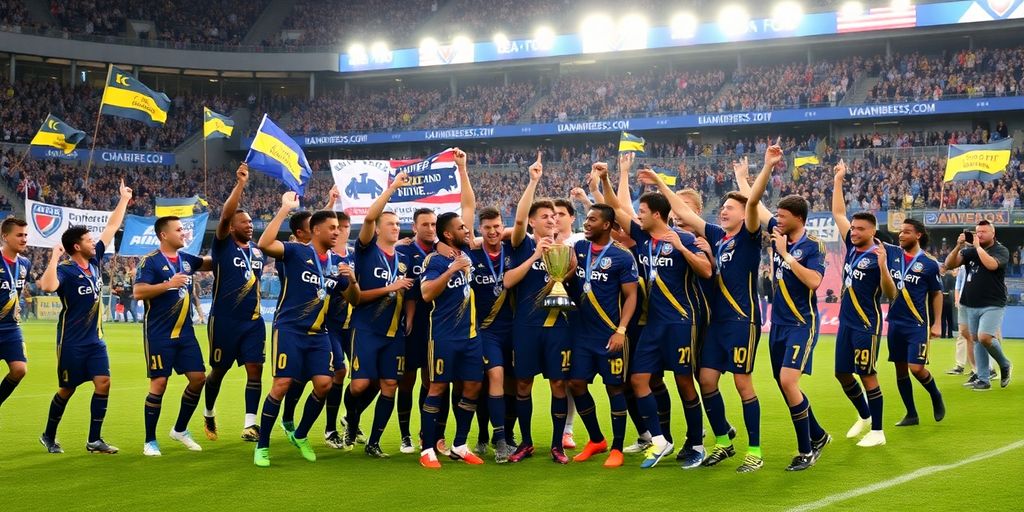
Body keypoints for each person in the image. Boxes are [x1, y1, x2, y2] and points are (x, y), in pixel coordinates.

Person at [646, 155, 767, 472]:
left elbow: (753, 203)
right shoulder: (717, 236)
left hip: (743, 321)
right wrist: (660, 183)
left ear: (744, 215)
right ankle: (724, 443)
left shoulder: (748, 237)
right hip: (716, 324)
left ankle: (754, 450)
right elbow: (683, 211)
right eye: (723, 207)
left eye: (730, 208)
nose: (724, 210)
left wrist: (756, 172)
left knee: (743, 384)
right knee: (706, 379)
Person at [600, 165, 712, 469]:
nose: (638, 216)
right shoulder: (643, 237)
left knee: (684, 381)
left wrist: (681, 248)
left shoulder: (684, 240)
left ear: (658, 215)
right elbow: (616, 208)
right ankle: (661, 440)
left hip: (680, 322)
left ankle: (697, 443)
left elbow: (706, 270)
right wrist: (605, 179)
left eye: (644, 212)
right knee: (638, 380)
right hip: (652, 325)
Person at [738, 143, 832, 471]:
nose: (776, 220)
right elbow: (755, 205)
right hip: (776, 324)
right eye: (777, 215)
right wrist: (746, 177)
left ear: (799, 219)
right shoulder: (779, 233)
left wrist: (786, 255)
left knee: (789, 382)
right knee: (783, 383)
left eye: (782, 216)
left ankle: (806, 450)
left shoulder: (812, 246)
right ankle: (818, 433)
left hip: (801, 323)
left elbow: (815, 282)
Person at [253, 193, 359, 467]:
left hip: (319, 334)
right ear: (316, 230)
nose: (337, 232)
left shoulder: (337, 264)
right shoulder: (297, 252)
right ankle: (262, 446)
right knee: (282, 384)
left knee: (325, 385)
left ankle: (300, 435)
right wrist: (285, 208)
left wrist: (352, 281)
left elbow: (354, 300)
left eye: (339, 228)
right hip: (289, 329)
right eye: (333, 228)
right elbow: (264, 244)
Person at [35, 180, 132, 454]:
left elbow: (111, 227)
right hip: (71, 342)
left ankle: (94, 439)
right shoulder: (65, 270)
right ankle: (48, 435)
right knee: (67, 390)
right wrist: (54, 257)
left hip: (95, 341)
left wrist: (123, 199)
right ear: (76, 247)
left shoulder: (95, 261)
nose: (94, 242)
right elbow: (47, 286)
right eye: (89, 240)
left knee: (104, 383)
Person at [504, 153, 574, 464]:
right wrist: (533, 181)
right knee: (522, 382)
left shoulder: (568, 251)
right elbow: (508, 282)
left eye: (554, 216)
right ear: (533, 221)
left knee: (559, 383)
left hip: (558, 327)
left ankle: (558, 444)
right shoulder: (521, 244)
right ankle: (527, 442)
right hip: (527, 327)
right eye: (544, 216)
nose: (550, 219)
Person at [564, 202, 638, 468]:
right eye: (587, 218)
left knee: (614, 387)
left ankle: (617, 448)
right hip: (581, 335)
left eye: (592, 219)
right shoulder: (579, 248)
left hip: (610, 335)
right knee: (575, 384)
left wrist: (621, 330)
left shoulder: (622, 256)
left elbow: (631, 297)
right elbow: (570, 279)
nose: (586, 223)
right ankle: (596, 439)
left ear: (606, 224)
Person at [133, 216, 213, 456]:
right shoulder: (150, 262)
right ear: (164, 235)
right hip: (159, 334)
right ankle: (150, 441)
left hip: (186, 333)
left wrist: (227, 247)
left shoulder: (186, 260)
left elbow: (210, 262)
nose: (184, 234)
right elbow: (138, 292)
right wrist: (168, 284)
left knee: (199, 378)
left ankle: (180, 429)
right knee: (159, 383)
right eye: (179, 230)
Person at [347, 172, 415, 458]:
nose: (396, 228)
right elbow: (368, 219)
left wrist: (408, 318)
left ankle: (373, 442)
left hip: (393, 333)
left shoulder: (403, 259)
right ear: (378, 229)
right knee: (361, 384)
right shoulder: (365, 251)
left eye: (398, 224)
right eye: (391, 224)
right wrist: (393, 188)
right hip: (365, 329)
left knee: (390, 384)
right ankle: (350, 422)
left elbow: (408, 292)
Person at [831, 160, 897, 448]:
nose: (853, 231)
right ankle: (865, 416)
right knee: (841, 373)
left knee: (867, 374)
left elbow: (890, 293)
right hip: (846, 322)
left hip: (866, 323)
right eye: (853, 228)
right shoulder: (853, 246)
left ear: (872, 231)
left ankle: (878, 432)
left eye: (859, 229)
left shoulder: (879, 254)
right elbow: (837, 212)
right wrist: (838, 180)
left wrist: (883, 267)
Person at [203, 164, 267, 443]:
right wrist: (240, 184)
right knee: (218, 371)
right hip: (224, 321)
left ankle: (250, 425)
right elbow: (226, 214)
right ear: (231, 228)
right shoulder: (222, 245)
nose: (249, 225)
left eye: (252, 222)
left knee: (256, 369)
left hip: (253, 322)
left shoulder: (258, 252)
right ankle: (208, 411)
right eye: (244, 222)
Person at [418, 208, 487, 468]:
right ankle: (427, 449)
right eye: (461, 228)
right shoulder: (435, 261)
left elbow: (470, 208)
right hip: (444, 337)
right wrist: (452, 270)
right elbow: (426, 294)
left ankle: (459, 444)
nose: (467, 230)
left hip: (471, 336)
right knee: (437, 388)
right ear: (447, 234)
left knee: (472, 387)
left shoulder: (466, 254)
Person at [882, 218, 945, 427]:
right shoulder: (893, 253)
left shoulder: (929, 263)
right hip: (895, 324)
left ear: (918, 235)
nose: (901, 235)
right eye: (900, 232)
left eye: (907, 232)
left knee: (916, 368)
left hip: (917, 325)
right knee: (900, 370)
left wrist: (936, 324)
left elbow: (937, 294)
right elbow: (871, 238)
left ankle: (935, 394)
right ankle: (911, 414)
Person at [467, 206, 517, 463]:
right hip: (486, 331)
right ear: (480, 229)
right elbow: (466, 210)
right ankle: (497, 440)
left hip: (515, 329)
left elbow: (521, 226)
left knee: (512, 383)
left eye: (497, 226)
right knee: (493, 377)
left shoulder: (513, 249)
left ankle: (507, 435)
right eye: (487, 227)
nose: (493, 231)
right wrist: (463, 170)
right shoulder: (472, 254)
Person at [944, 220, 1013, 390]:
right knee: (976, 340)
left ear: (993, 233)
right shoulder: (969, 251)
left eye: (983, 231)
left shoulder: (1001, 250)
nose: (979, 234)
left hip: (993, 303)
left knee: (984, 337)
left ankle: (1004, 364)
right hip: (970, 303)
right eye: (977, 232)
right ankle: (983, 379)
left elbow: (991, 265)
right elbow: (949, 264)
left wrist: (978, 247)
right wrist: (958, 246)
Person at [396, 207, 437, 455]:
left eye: (433, 224)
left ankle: (426, 433)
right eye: (425, 224)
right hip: (410, 323)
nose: (430, 229)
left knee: (431, 381)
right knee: (406, 381)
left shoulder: (441, 252)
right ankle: (404, 435)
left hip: (437, 324)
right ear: (414, 227)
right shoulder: (404, 251)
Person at [0, 217, 32, 416]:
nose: (24, 239)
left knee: (20, 369)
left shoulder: (25, 264)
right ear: (5, 236)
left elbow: (15, 290)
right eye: (19, 235)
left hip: (11, 328)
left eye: (26, 235)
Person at [940, 265, 955, 339]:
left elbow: (953, 287)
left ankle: (949, 334)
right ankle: (943, 334)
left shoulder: (948, 277)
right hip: (942, 298)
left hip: (948, 298)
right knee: (943, 317)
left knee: (949, 318)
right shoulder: (940, 277)